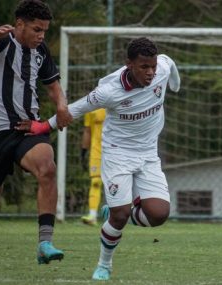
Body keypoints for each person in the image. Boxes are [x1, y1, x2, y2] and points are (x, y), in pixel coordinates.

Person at [19, 37, 180, 281]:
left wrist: (175, 84)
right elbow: (74, 109)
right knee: (120, 215)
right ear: (129, 64)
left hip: (148, 154)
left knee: (159, 215)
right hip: (117, 154)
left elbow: (170, 64)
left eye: (153, 66)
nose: (150, 72)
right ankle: (104, 265)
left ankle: (119, 208)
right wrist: (43, 127)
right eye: (144, 67)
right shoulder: (109, 91)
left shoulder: (162, 69)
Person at [0, 0, 72, 273]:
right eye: (36, 29)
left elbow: (54, 87)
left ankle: (45, 243)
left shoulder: (40, 51)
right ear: (19, 24)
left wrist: (62, 106)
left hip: (27, 129)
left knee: (47, 168)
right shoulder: (3, 42)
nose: (41, 35)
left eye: (44, 30)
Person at [80, 109, 106, 226]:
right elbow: (87, 131)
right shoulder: (91, 105)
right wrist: (83, 151)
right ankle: (92, 215)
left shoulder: (118, 99)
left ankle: (122, 215)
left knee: (118, 183)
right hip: (97, 152)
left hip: (116, 150)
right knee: (95, 182)